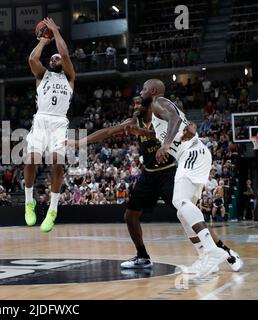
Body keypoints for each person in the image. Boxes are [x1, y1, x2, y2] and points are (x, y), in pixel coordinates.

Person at [68, 96, 242, 273]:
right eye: (133, 102)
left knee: (189, 214)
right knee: (130, 215)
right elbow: (107, 132)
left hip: (168, 172)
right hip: (149, 174)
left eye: (138, 102)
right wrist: (79, 142)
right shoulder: (133, 121)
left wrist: (191, 127)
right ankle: (142, 255)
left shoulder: (160, 115)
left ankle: (227, 252)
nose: (135, 105)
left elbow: (184, 124)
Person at [142, 78, 230, 277]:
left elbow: (173, 120)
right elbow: (180, 124)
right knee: (183, 212)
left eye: (144, 89)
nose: (141, 92)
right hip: (191, 155)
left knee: (179, 201)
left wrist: (164, 145)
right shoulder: (158, 111)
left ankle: (212, 251)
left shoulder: (158, 102)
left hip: (192, 153)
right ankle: (206, 258)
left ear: (154, 90)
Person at [24, 17, 75, 233]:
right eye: (51, 59)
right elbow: (32, 59)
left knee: (57, 164)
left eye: (56, 58)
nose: (54, 60)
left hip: (59, 122)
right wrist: (44, 41)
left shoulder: (70, 77)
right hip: (41, 119)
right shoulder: (42, 75)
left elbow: (64, 53)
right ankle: (29, 202)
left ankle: (53, 209)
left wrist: (55, 32)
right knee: (30, 161)